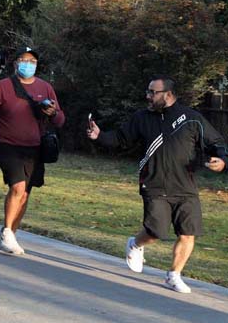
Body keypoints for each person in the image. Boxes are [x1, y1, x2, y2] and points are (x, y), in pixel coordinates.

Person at [87, 76, 227, 293]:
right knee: (155, 232)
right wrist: (99, 136)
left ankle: (173, 274)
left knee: (188, 233)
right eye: (148, 91)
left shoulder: (191, 118)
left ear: (168, 95)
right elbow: (121, 138)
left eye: (153, 92)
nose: (148, 96)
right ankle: (136, 244)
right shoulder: (142, 118)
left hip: (186, 187)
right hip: (154, 184)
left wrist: (222, 160)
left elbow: (216, 143)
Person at [0, 46, 64, 255]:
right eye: (24, 60)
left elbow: (60, 119)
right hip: (8, 145)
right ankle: (7, 231)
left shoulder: (45, 87)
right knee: (17, 187)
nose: (28, 65)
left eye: (32, 61)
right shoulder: (4, 85)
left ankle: (11, 233)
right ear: (16, 63)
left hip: (35, 147)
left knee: (25, 193)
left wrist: (52, 113)